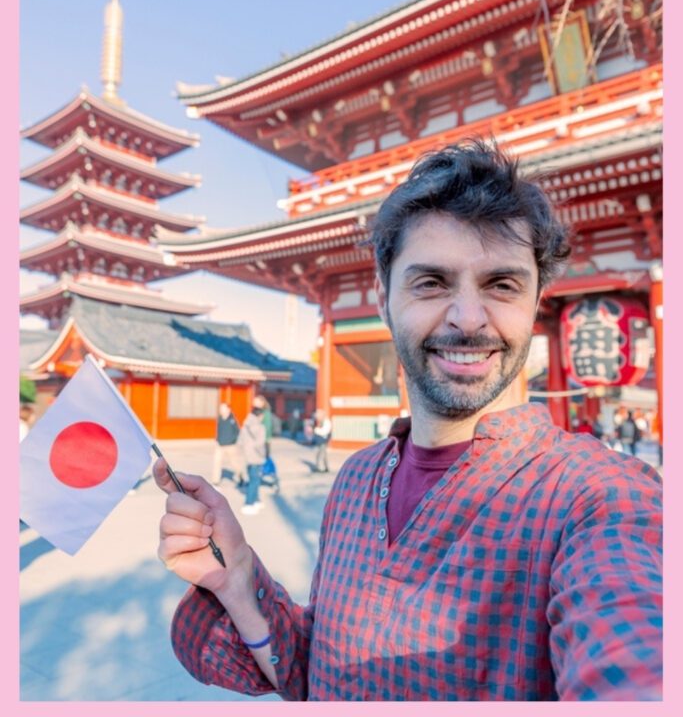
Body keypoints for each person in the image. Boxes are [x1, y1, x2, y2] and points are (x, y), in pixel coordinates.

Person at [154, 140, 662, 701]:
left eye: (502, 285)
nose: (469, 319)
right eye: (431, 282)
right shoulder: (354, 481)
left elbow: (633, 652)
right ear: (382, 297)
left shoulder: (597, 496)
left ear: (536, 299)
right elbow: (319, 679)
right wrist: (240, 577)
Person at [237, 395, 268, 515]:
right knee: (255, 481)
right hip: (257, 458)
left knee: (252, 479)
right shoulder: (261, 428)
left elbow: (240, 440)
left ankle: (255, 500)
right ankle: (248, 503)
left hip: (248, 457)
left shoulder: (246, 424)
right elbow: (260, 445)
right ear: (260, 415)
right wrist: (264, 455)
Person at [212, 402, 242, 487]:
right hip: (220, 445)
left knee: (235, 463)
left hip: (230, 445)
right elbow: (218, 430)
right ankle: (215, 481)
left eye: (223, 408)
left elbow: (237, 432)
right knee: (216, 462)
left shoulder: (232, 419)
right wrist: (217, 440)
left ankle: (241, 477)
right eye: (220, 408)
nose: (221, 410)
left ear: (228, 409)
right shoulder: (220, 419)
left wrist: (233, 441)